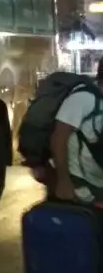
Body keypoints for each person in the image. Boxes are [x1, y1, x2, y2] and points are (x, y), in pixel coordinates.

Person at [47, 59, 103, 204]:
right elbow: (58, 138)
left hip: (97, 183)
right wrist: (63, 181)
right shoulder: (82, 99)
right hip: (79, 185)